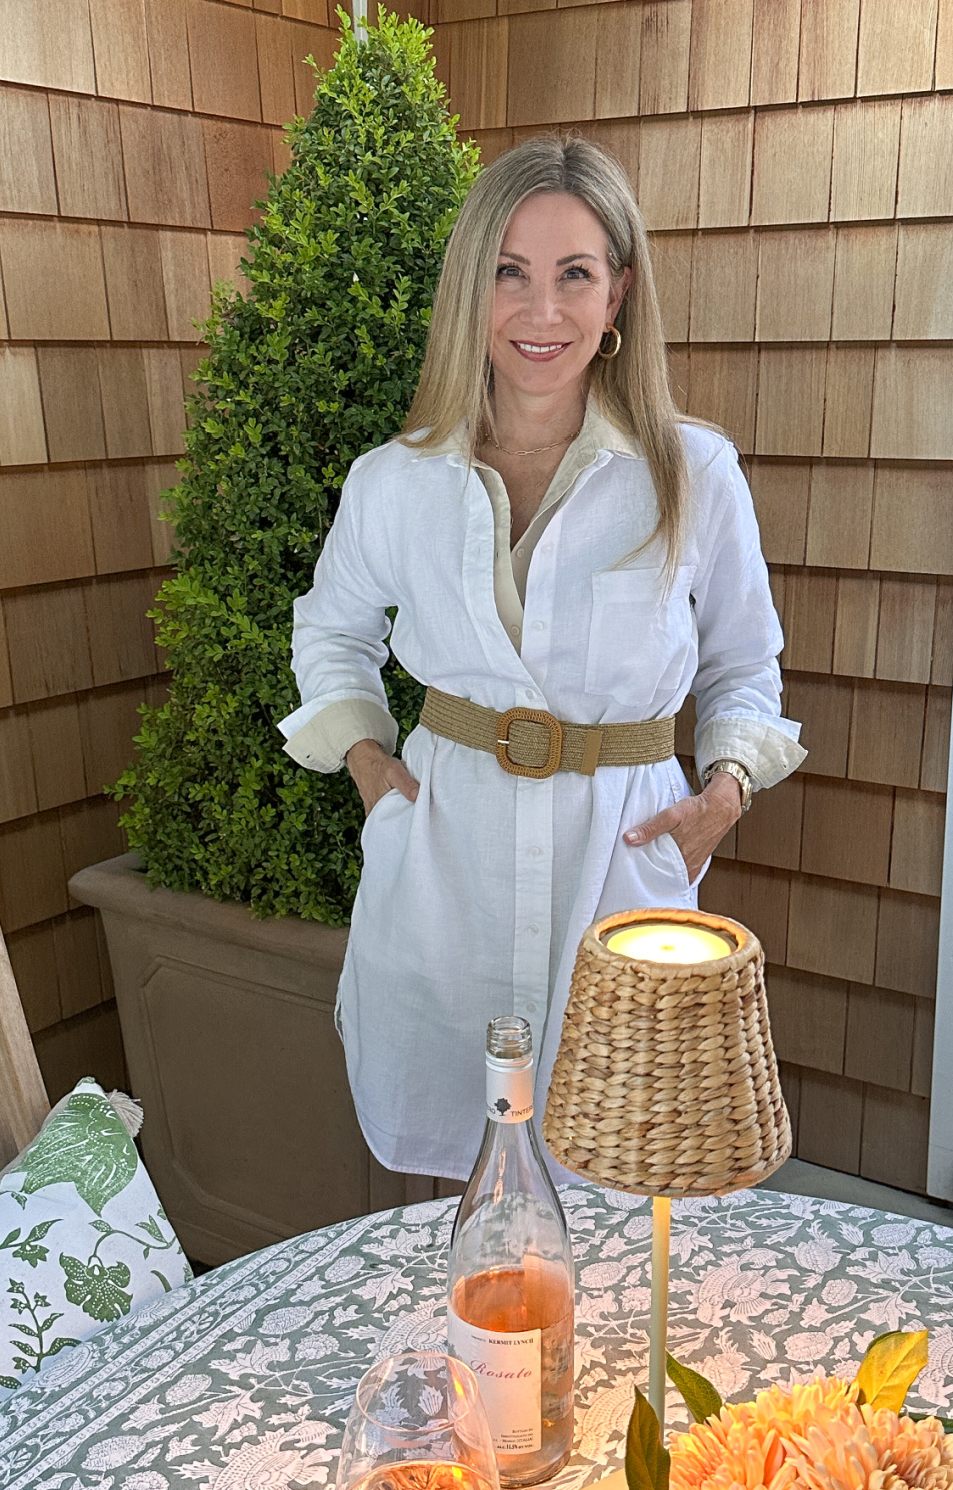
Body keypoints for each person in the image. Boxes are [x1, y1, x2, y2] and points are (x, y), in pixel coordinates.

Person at [278, 136, 805, 1182]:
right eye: (509, 272)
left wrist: (723, 794)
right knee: (456, 1181)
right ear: (471, 290)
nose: (541, 310)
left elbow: (746, 663)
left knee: (624, 1171)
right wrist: (375, 775)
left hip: (621, 863)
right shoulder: (395, 481)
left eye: (575, 274)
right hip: (446, 863)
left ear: (619, 295)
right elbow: (330, 633)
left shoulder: (693, 473)